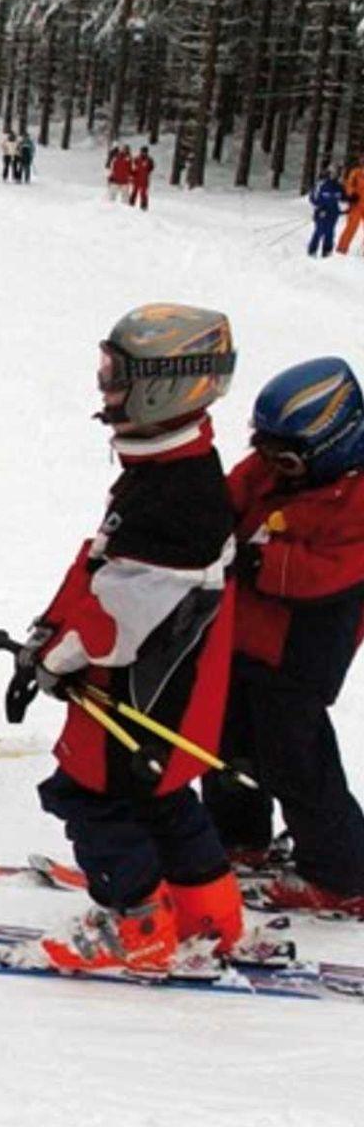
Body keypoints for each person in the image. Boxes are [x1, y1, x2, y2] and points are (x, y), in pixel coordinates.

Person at [4, 304, 243, 971]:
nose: (104, 388)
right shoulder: (174, 471)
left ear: (164, 387)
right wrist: (49, 633)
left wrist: (54, 658)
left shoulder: (174, 499)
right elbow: (106, 570)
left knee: (92, 795)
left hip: (138, 693)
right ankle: (211, 914)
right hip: (171, 693)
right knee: (158, 793)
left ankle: (136, 924)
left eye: (117, 375)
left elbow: (115, 622)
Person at [202, 358, 364, 916]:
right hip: (242, 636)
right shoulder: (271, 472)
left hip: (302, 652)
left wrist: (258, 561)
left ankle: (342, 875)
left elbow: (331, 572)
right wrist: (202, 521)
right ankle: (237, 837)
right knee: (224, 741)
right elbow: (232, 494)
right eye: (264, 450)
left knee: (295, 760)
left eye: (285, 459)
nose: (271, 465)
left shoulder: (354, 498)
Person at [309, 170, 347, 257]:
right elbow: (313, 198)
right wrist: (320, 207)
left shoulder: (339, 186)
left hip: (333, 213)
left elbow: (343, 199)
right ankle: (312, 250)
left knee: (330, 232)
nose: (333, 176)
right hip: (322, 213)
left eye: (335, 174)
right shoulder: (320, 185)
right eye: (332, 174)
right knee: (319, 231)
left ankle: (327, 251)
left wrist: (347, 205)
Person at [340, 157, 364, 252]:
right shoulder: (356, 172)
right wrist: (352, 193)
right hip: (356, 204)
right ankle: (342, 248)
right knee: (351, 228)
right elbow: (349, 184)